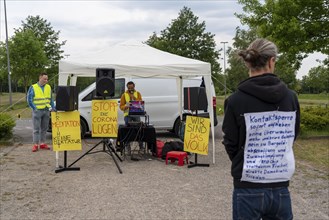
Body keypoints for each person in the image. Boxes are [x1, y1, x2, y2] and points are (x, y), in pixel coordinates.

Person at [222, 39, 300, 220]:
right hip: (280, 184)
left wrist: (244, 161)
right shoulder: (291, 98)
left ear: (247, 63)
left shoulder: (235, 100)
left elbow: (230, 142)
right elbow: (292, 135)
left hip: (248, 184)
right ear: (272, 61)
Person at [27, 72, 55, 152]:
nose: (46, 80)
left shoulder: (48, 87)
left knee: (44, 128)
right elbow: (29, 100)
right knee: (36, 129)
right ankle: (36, 144)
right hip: (37, 111)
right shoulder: (33, 87)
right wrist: (34, 108)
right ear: (40, 78)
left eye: (47, 79)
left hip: (46, 111)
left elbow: (51, 99)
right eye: (44, 79)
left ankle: (42, 143)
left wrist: (52, 107)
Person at [119, 81, 144, 154]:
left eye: (132, 87)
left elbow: (141, 103)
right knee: (128, 132)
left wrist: (134, 98)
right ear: (127, 87)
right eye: (129, 88)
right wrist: (125, 106)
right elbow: (121, 106)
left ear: (134, 86)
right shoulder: (124, 95)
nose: (130, 89)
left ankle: (141, 147)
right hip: (127, 115)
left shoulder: (138, 93)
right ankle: (128, 149)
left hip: (136, 114)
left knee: (139, 131)